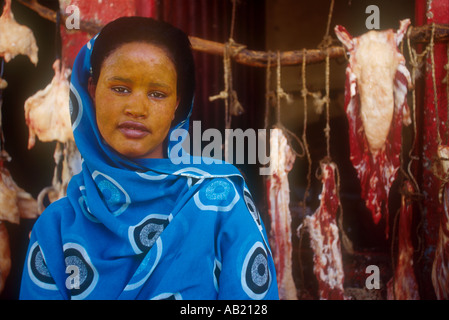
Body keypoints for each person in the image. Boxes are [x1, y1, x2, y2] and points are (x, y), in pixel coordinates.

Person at [20, 16, 278, 300]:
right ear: (92, 91)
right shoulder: (55, 228)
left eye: (157, 94)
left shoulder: (220, 200)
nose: (137, 108)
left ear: (176, 105)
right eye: (120, 88)